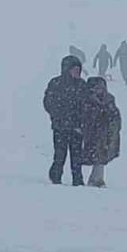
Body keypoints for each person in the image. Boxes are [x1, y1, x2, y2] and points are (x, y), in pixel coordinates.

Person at [44, 55, 89, 186]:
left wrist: (82, 120)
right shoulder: (56, 83)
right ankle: (56, 176)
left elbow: (87, 105)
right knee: (60, 154)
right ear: (66, 69)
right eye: (74, 70)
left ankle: (77, 180)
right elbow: (48, 103)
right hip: (60, 127)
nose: (77, 72)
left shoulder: (82, 85)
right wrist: (59, 117)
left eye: (78, 70)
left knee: (77, 156)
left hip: (77, 128)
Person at [81, 77, 121, 188]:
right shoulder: (86, 100)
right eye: (96, 88)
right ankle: (94, 179)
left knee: (101, 156)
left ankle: (97, 179)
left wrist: (113, 127)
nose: (99, 90)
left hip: (105, 133)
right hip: (92, 132)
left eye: (101, 87)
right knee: (96, 155)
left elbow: (114, 115)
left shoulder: (109, 99)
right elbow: (85, 116)